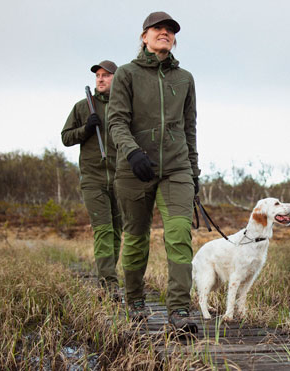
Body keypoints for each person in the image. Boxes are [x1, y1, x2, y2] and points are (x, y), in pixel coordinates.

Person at [107, 11, 200, 331]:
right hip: (134, 168)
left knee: (178, 234)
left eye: (171, 30)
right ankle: (134, 301)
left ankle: (179, 312)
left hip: (176, 168)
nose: (165, 33)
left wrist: (194, 172)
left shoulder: (185, 78)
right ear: (144, 36)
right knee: (135, 237)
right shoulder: (127, 74)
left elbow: (190, 129)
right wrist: (132, 153)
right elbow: (115, 120)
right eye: (158, 29)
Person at [60, 60, 122, 301]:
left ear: (117, 78)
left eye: (106, 75)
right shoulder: (83, 106)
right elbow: (65, 137)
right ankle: (109, 286)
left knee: (117, 232)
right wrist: (86, 129)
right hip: (93, 179)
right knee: (104, 230)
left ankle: (108, 278)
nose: (100, 79)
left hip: (120, 178)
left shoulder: (124, 106)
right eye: (98, 75)